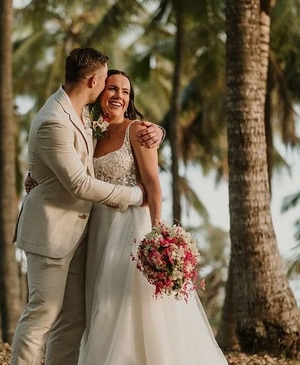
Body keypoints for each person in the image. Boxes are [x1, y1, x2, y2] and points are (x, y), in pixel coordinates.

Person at [9, 48, 163, 365]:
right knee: (42, 314)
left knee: (72, 321)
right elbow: (79, 183)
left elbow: (122, 137)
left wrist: (159, 130)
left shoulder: (82, 114)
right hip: (52, 232)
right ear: (94, 81)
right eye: (107, 82)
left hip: (82, 233)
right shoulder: (54, 119)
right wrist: (136, 196)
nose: (113, 89)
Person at [77, 70, 228, 365]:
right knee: (104, 306)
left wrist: (158, 234)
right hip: (99, 231)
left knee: (134, 305)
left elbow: (153, 186)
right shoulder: (90, 133)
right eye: (112, 88)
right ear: (98, 94)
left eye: (125, 91)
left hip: (131, 229)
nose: (119, 96)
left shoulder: (138, 130)